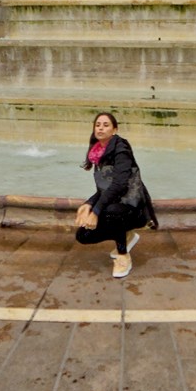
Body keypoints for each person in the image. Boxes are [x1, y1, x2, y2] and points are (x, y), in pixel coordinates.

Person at [74, 111, 143, 280]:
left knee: (110, 211)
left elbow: (119, 185)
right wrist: (88, 204)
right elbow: (103, 189)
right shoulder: (97, 152)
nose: (100, 128)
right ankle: (127, 236)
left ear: (114, 130)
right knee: (83, 235)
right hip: (114, 203)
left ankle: (123, 256)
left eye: (106, 125)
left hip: (132, 204)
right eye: (98, 125)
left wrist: (96, 211)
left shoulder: (121, 150)